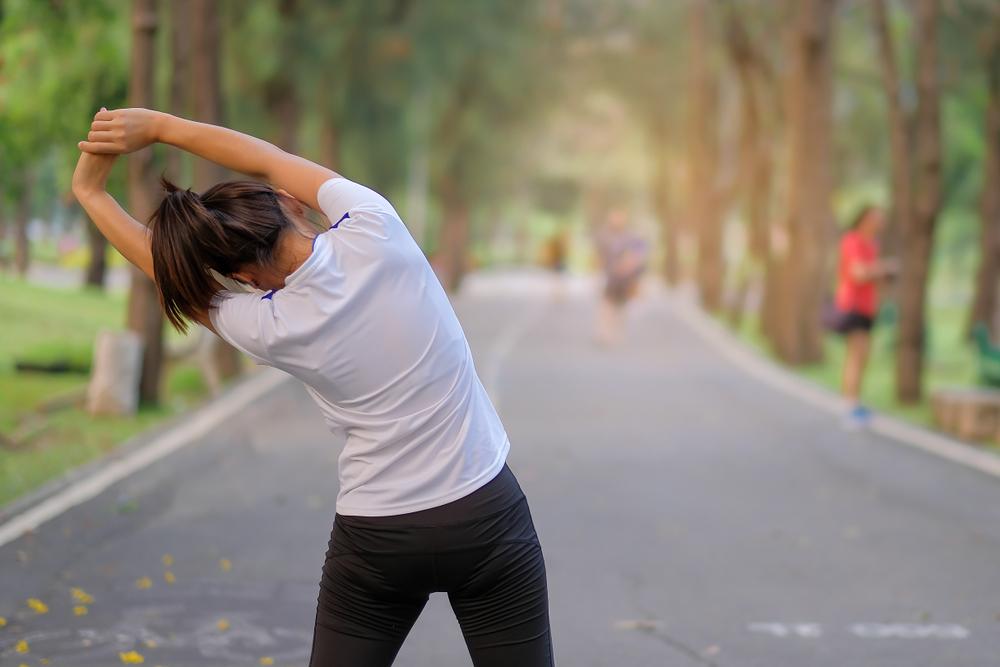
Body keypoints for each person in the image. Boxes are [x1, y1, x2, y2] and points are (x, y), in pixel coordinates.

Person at [73, 107, 554, 667]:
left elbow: (171, 273)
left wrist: (92, 194)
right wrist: (157, 127)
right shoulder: (376, 226)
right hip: (485, 517)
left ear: (245, 277)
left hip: (377, 537)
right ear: (290, 201)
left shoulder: (268, 325)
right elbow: (266, 159)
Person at [834, 205, 897, 428]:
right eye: (875, 219)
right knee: (856, 354)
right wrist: (884, 268)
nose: (879, 223)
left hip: (869, 307)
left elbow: (870, 275)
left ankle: (854, 401)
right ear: (863, 219)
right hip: (852, 304)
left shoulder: (873, 244)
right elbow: (857, 273)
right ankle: (849, 405)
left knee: (864, 356)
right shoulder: (852, 240)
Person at [593, 208, 647, 346]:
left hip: (626, 278)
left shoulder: (631, 237)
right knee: (607, 304)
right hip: (610, 277)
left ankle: (617, 332)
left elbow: (640, 253)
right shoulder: (604, 236)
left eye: (619, 218)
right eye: (614, 218)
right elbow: (598, 255)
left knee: (621, 306)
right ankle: (605, 333)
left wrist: (631, 265)